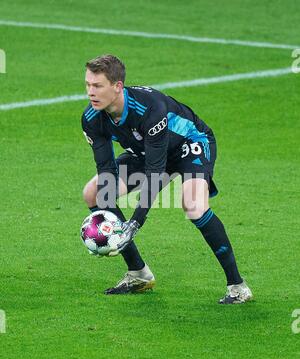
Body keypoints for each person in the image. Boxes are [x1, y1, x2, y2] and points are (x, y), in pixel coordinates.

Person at [81, 54, 253, 304]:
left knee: (193, 205)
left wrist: (135, 222)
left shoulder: (150, 109)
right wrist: (109, 226)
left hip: (189, 143)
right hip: (146, 152)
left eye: (97, 86)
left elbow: (155, 170)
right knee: (95, 193)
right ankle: (138, 273)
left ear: (117, 86)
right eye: (87, 85)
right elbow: (106, 168)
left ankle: (238, 286)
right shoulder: (92, 119)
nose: (90, 92)